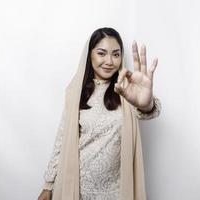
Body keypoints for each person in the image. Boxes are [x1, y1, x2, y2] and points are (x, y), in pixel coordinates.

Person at [38, 27, 161, 200]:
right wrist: (48, 186)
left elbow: (149, 111)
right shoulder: (75, 92)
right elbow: (62, 139)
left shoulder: (127, 89)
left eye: (116, 54)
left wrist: (147, 104)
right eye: (102, 53)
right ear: (90, 55)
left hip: (115, 192)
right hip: (76, 188)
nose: (109, 61)